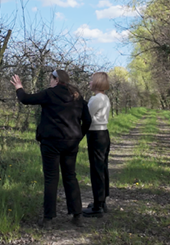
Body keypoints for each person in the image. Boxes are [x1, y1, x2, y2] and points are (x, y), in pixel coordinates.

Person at [10, 70, 92, 228]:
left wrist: (19, 86)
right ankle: (77, 216)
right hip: (71, 143)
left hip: (51, 142)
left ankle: (48, 219)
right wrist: (78, 136)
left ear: (56, 79)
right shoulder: (77, 96)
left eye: (51, 78)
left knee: (51, 178)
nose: (49, 81)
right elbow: (87, 120)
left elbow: (25, 99)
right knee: (70, 177)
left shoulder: (50, 94)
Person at [82, 72, 111, 218]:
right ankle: (102, 201)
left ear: (97, 83)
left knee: (96, 170)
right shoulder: (104, 98)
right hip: (104, 134)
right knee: (102, 167)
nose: (89, 82)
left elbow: (86, 116)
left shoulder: (96, 99)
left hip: (96, 135)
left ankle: (97, 206)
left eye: (91, 80)